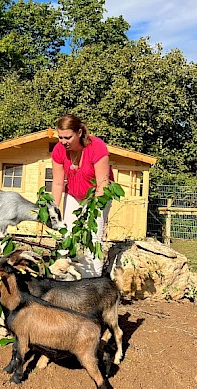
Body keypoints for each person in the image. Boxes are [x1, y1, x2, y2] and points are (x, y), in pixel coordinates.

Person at [51, 114, 114, 278]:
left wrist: (93, 214)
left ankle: (92, 281)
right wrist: (53, 209)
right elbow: (58, 183)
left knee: (92, 237)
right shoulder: (59, 150)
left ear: (79, 133)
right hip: (73, 194)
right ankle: (65, 278)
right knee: (68, 234)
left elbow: (102, 184)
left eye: (68, 137)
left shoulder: (96, 147)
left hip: (97, 197)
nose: (63, 141)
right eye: (60, 137)